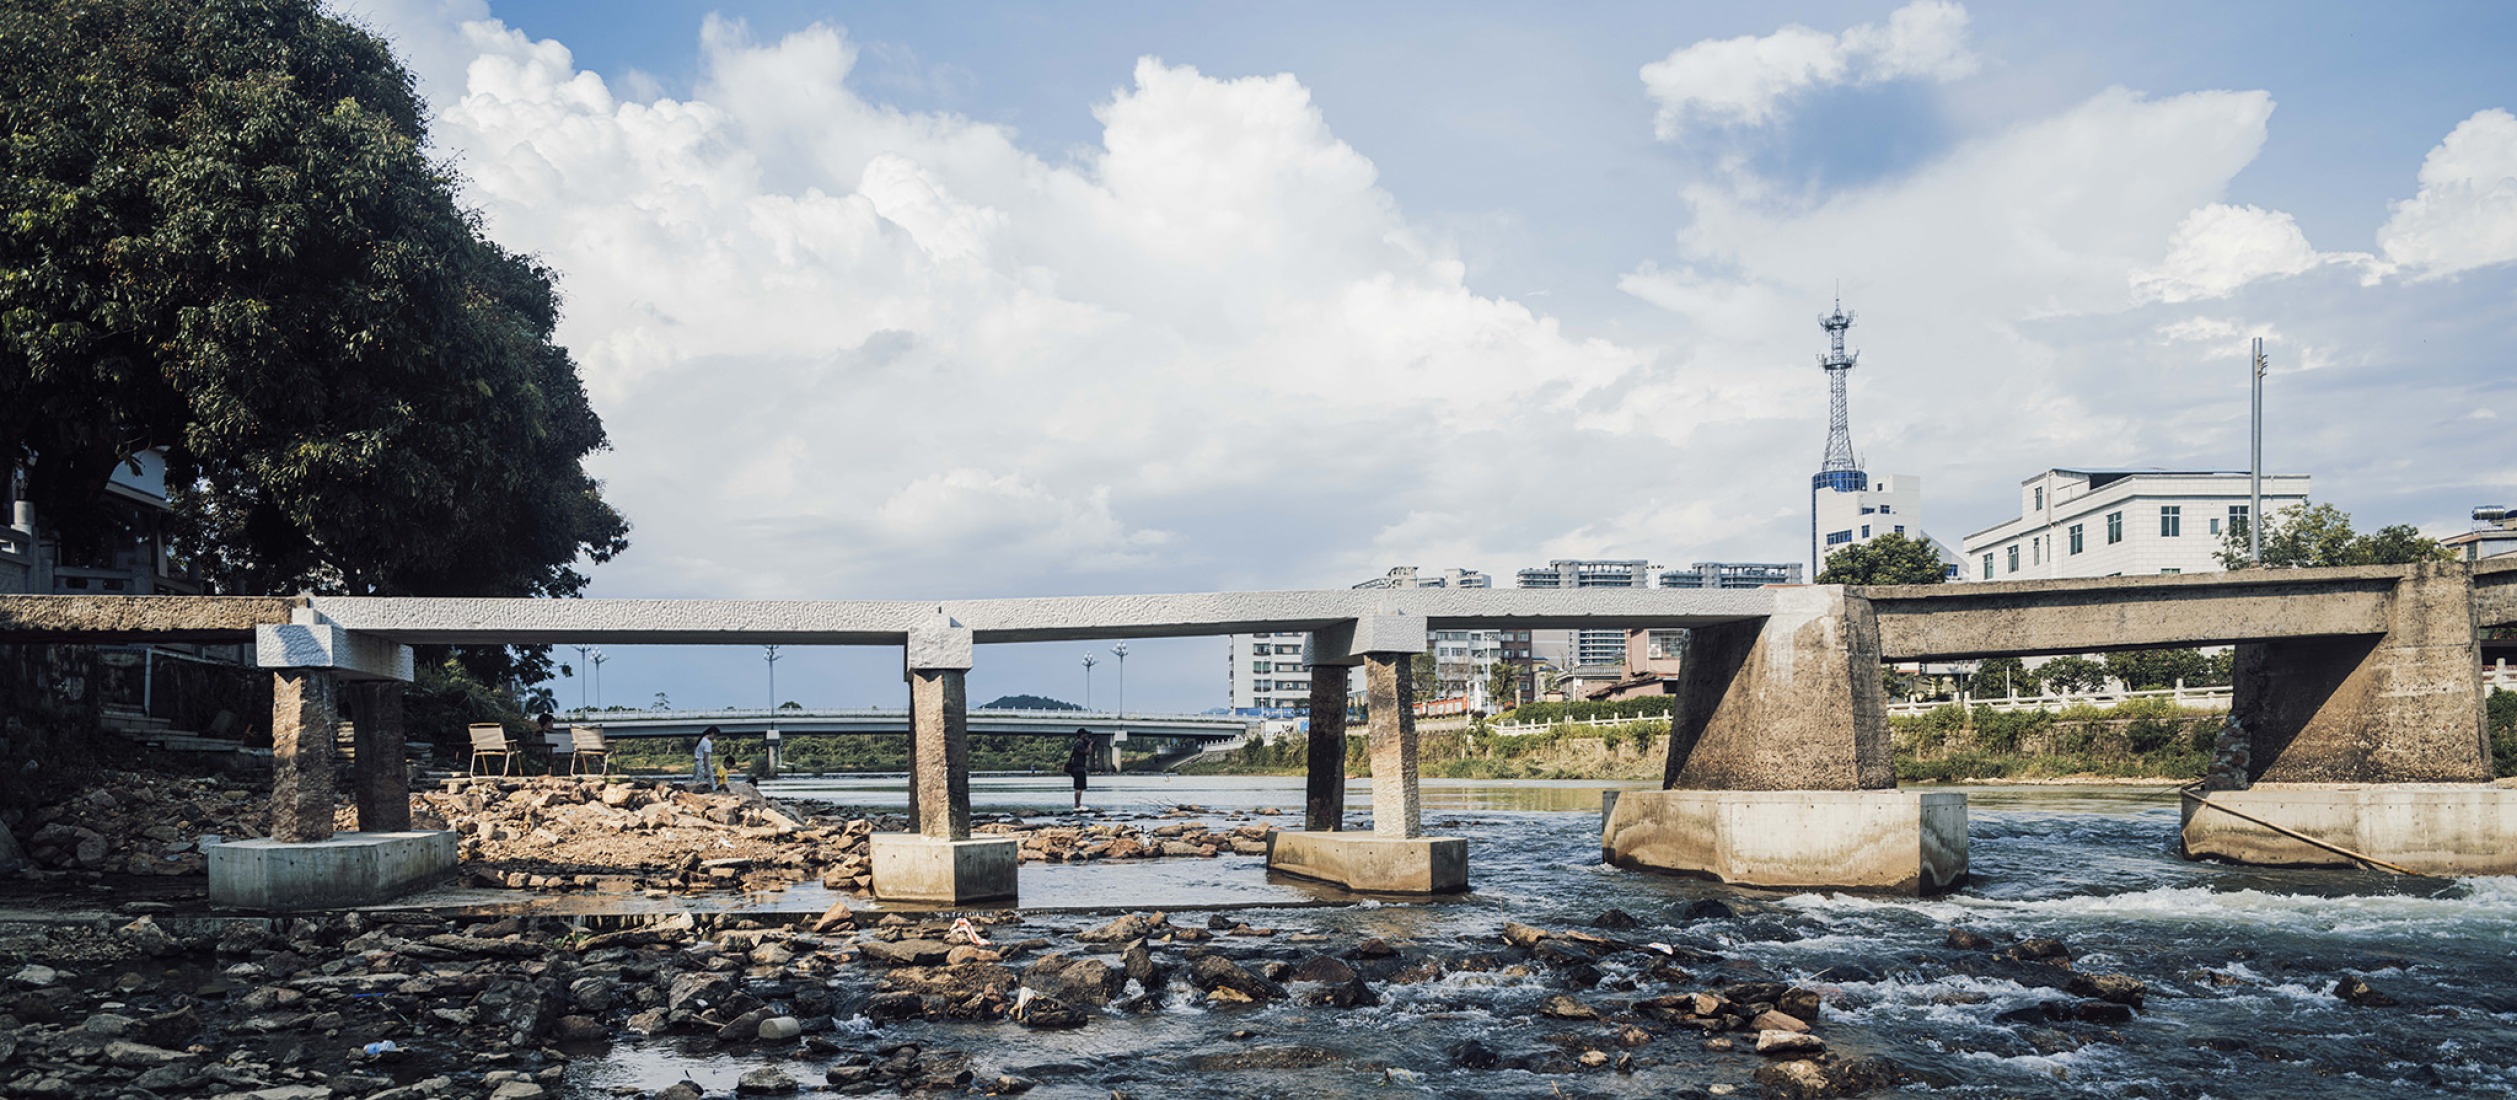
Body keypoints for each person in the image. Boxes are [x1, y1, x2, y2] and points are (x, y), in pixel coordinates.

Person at [1064, 728, 1094, 811]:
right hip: (1078, 768)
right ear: (1081, 735)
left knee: (1079, 788)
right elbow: (1086, 752)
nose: (1086, 736)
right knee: (1079, 788)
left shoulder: (1078, 744)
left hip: (1077, 768)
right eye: (1085, 735)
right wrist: (1090, 745)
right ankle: (1077, 805)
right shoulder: (1079, 744)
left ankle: (1078, 804)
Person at [695, 726, 720, 792]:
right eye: (715, 735)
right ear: (712, 733)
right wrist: (706, 770)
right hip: (703, 764)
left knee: (699, 783)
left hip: (698, 764)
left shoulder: (701, 740)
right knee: (711, 783)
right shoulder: (707, 742)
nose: (714, 738)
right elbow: (705, 757)